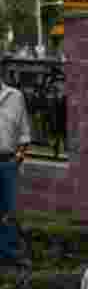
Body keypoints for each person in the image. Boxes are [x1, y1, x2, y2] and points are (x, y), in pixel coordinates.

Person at [0, 79, 32, 265]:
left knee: (8, 211)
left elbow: (24, 133)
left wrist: (18, 158)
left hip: (8, 162)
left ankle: (8, 254)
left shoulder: (15, 96)